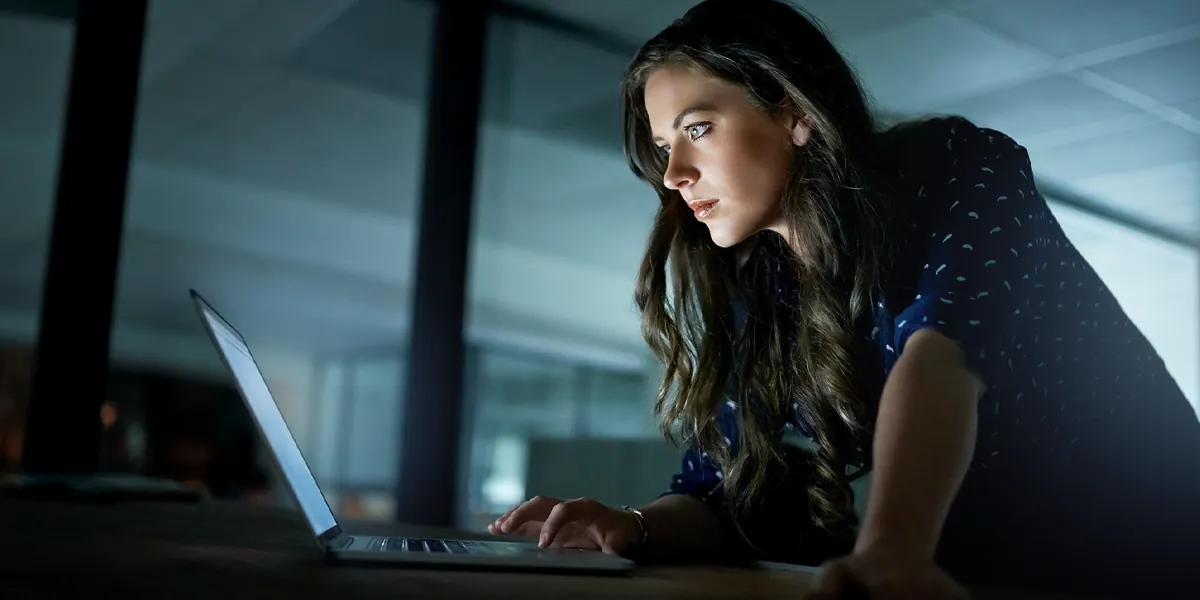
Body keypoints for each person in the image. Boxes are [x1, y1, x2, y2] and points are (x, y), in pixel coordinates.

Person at [488, 1, 1200, 597]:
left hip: (1160, 541)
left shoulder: (957, 167)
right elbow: (723, 489)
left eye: (698, 129)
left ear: (796, 112)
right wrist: (632, 526)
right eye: (662, 144)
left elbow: (941, 356)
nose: (673, 172)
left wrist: (891, 550)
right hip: (995, 571)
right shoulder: (765, 295)